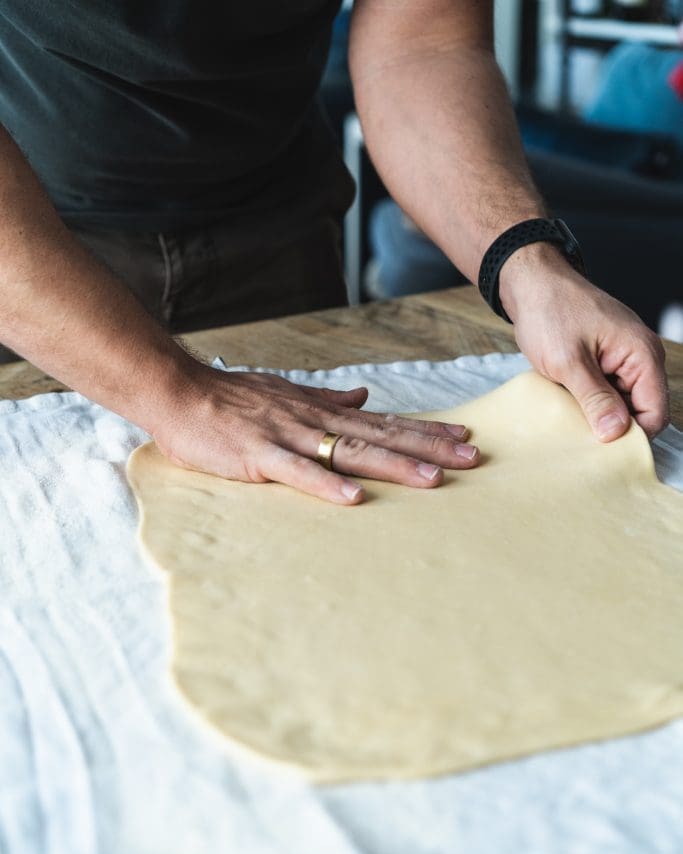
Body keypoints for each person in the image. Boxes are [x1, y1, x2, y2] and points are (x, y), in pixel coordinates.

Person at [0, 0, 667, 506]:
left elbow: (422, 42)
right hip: (34, 258)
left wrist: (528, 265)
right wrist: (177, 394)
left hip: (275, 231)